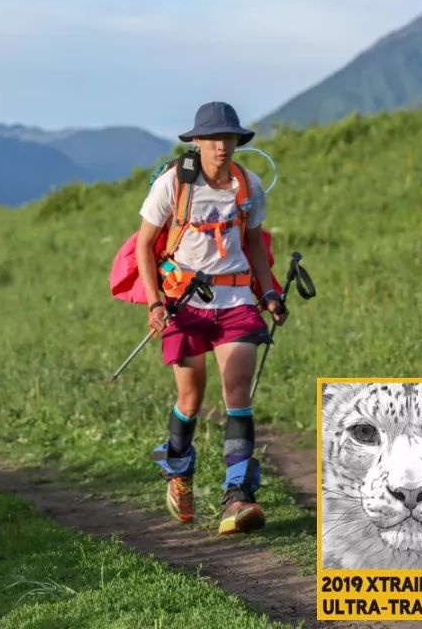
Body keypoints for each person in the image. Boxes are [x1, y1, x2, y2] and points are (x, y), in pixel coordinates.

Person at [134, 101, 286, 534]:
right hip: (183, 301)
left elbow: (255, 243)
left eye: (229, 138)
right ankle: (178, 473)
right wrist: (154, 303)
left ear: (238, 141)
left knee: (237, 391)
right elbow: (146, 245)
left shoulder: (249, 185)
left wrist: (269, 292)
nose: (222, 147)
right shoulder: (172, 185)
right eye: (213, 138)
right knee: (190, 398)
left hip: (235, 301)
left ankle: (238, 496)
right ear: (196, 141)